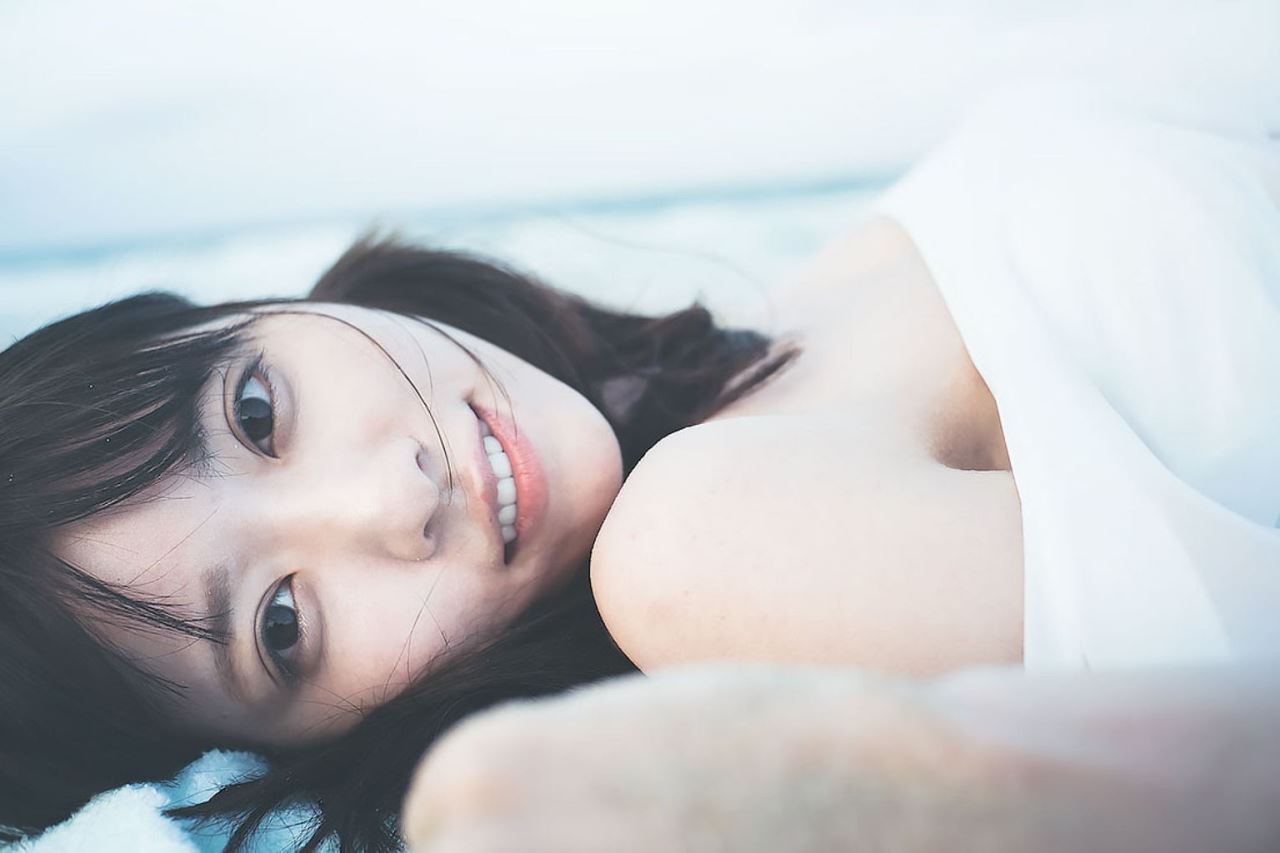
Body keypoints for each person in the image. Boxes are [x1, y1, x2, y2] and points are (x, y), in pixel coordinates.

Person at [3, 86, 1278, 851]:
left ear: (252, 307)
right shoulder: (692, 548)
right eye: (283, 624)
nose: (392, 497)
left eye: (257, 408)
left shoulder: (776, 328)